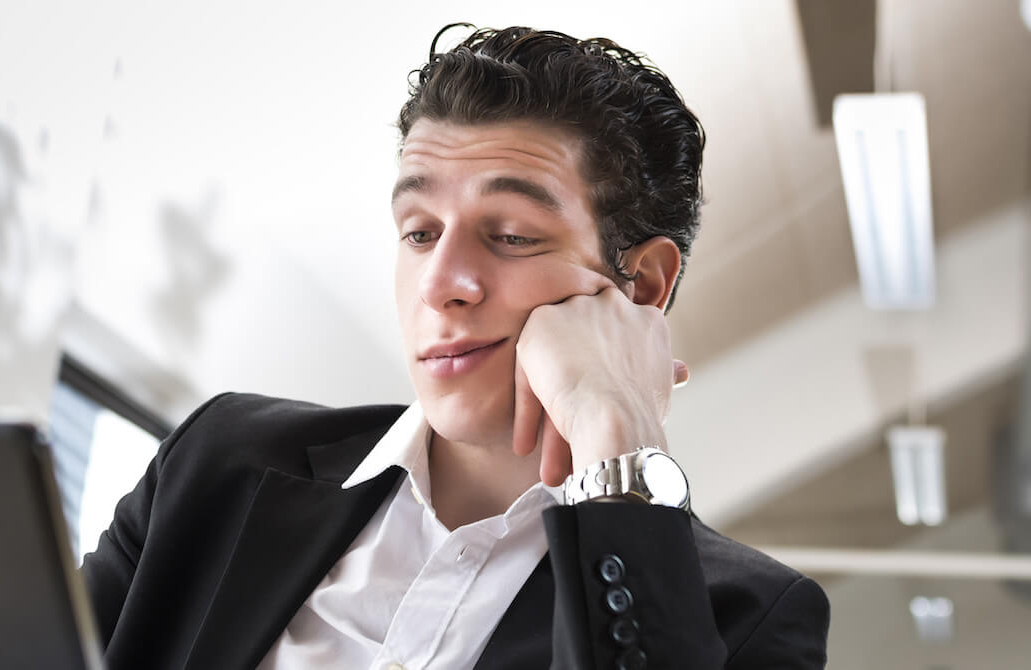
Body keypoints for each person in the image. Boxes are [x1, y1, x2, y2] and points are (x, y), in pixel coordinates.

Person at [81, 25, 830, 670]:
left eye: (510, 235)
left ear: (640, 286)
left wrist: (615, 429)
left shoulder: (745, 618)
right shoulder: (221, 462)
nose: (443, 284)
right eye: (418, 233)